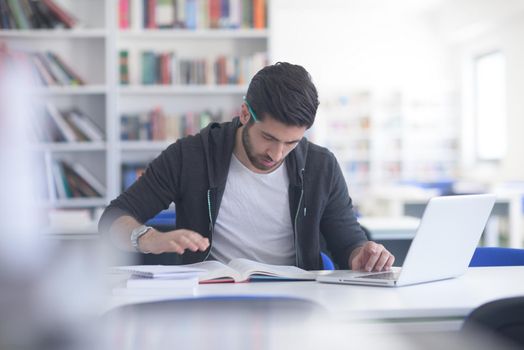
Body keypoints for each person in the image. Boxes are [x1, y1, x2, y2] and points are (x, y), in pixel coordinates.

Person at [99, 62, 394, 271]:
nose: (277, 153)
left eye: (291, 142)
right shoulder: (190, 156)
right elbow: (113, 218)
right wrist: (149, 239)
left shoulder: (321, 165)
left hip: (297, 299)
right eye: (268, 137)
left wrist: (362, 255)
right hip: (208, 299)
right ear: (244, 114)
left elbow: (349, 243)